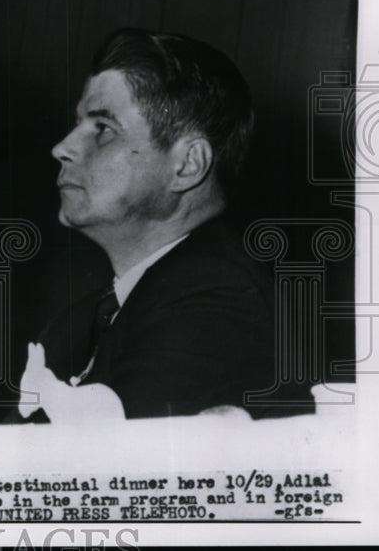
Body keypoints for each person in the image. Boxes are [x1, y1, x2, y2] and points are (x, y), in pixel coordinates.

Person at [18, 28, 313, 423]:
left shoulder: (219, 304)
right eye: (78, 124)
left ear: (187, 165)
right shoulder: (78, 321)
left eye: (103, 129)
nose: (63, 148)